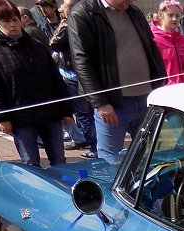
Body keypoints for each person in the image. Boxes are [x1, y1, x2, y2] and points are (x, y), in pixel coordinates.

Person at [68, 0, 167, 163]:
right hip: (113, 104)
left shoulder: (134, 11)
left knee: (152, 156)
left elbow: (150, 45)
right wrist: (100, 102)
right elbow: (81, 60)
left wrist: (160, 81)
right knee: (110, 160)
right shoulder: (84, 13)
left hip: (146, 98)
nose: (130, 1)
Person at [0, 0, 74, 168]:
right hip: (20, 116)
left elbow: (55, 77)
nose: (13, 25)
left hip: (49, 111)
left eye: (15, 20)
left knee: (59, 160)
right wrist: (1, 116)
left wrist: (66, 108)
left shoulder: (34, 43)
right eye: (7, 22)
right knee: (31, 163)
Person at [49, 0, 97, 159]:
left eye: (65, 5)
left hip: (74, 74)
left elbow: (54, 43)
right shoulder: (90, 20)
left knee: (83, 113)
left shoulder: (71, 24)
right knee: (90, 111)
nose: (61, 8)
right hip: (84, 72)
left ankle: (95, 147)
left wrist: (64, 22)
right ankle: (94, 144)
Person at [152, 0, 184, 83]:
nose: (174, 19)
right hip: (166, 92)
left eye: (177, 16)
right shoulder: (153, 41)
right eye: (170, 15)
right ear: (161, 15)